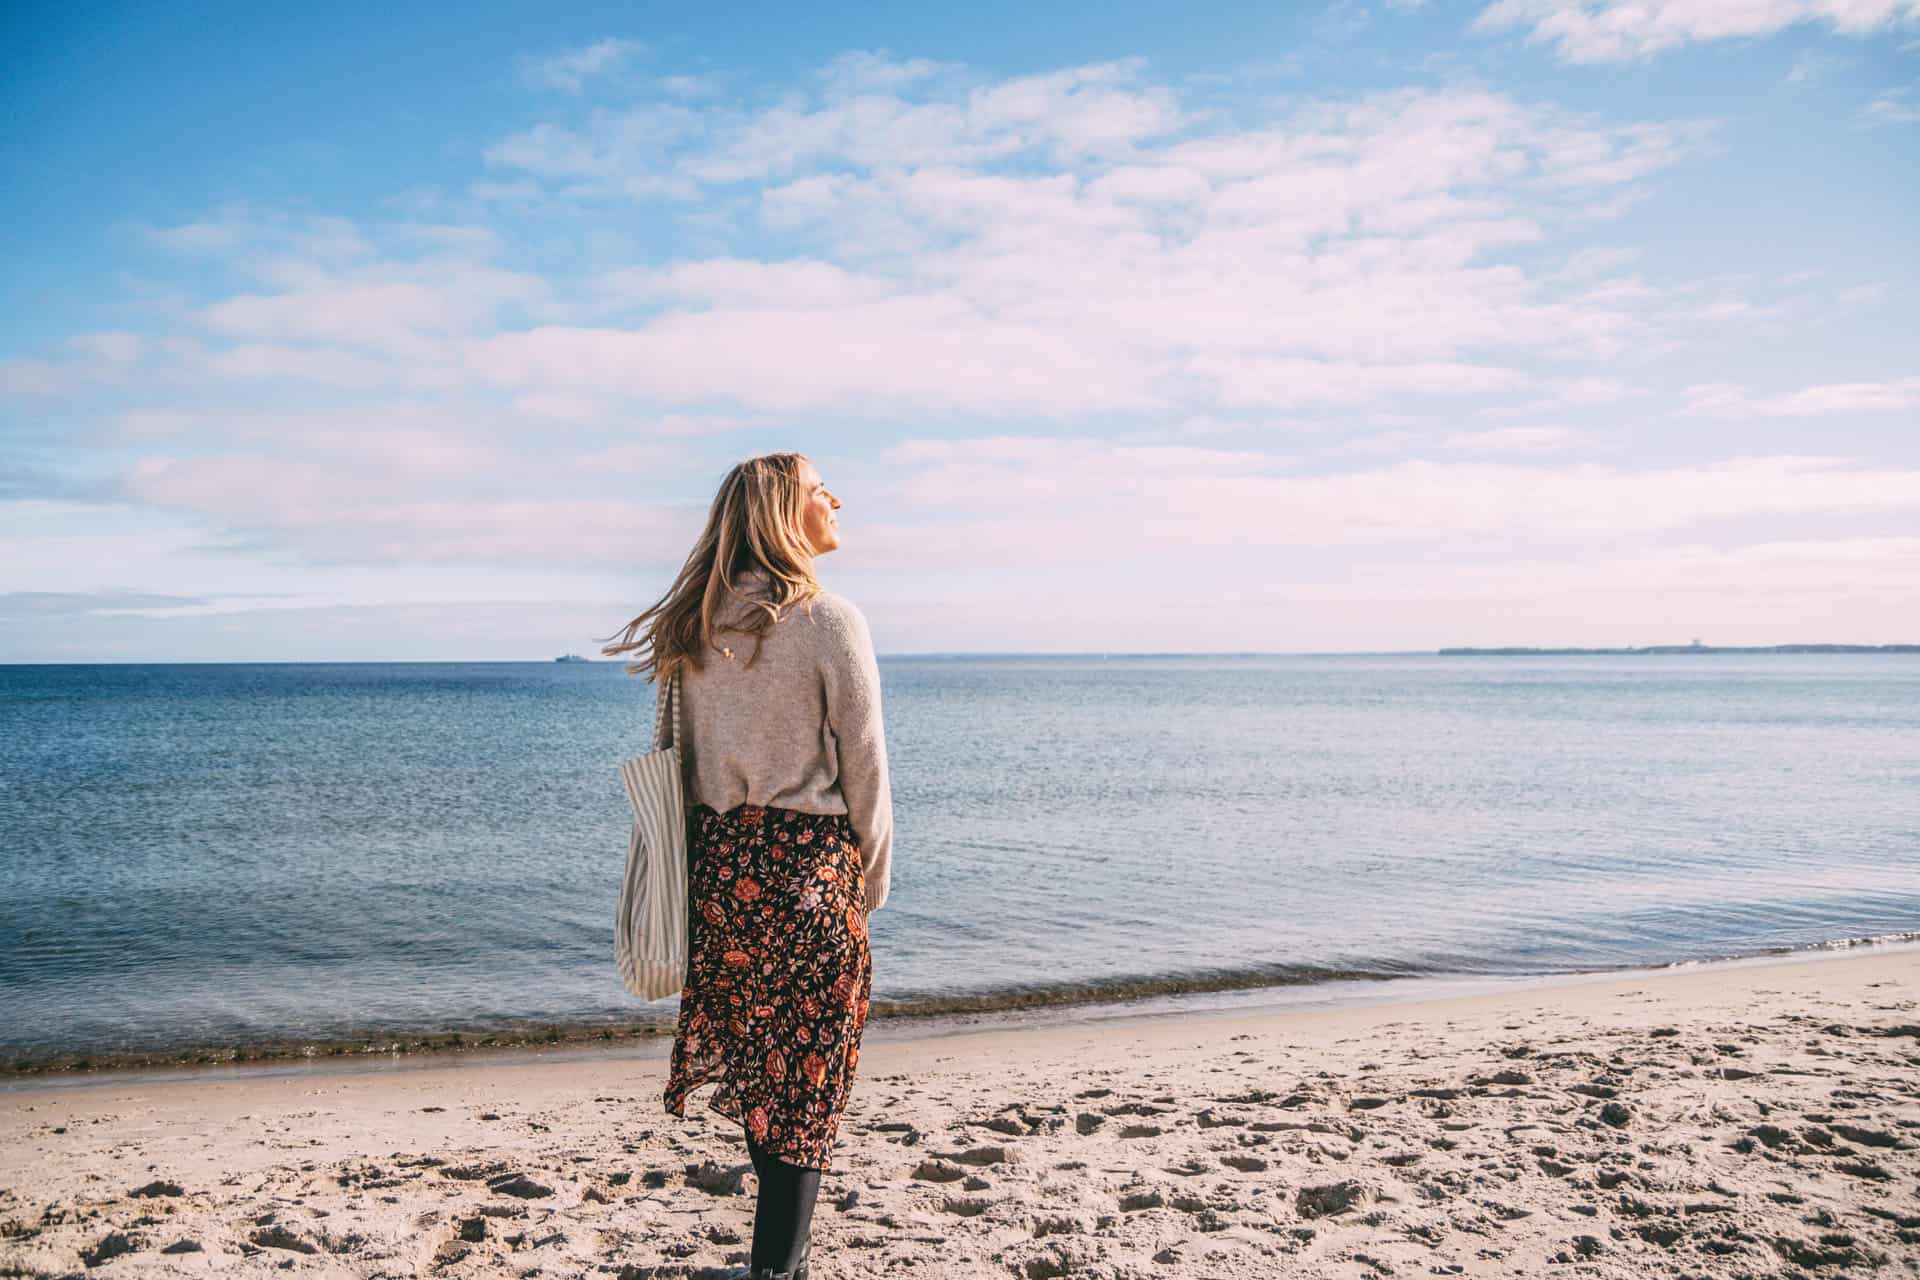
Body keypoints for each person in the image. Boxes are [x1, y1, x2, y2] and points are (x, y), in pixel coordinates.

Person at [602, 451, 894, 1280]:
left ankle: (782, 1264)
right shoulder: (831, 621)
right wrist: (871, 876)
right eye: (818, 489)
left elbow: (684, 762)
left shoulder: (692, 627)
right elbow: (865, 765)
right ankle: (776, 1272)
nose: (836, 498)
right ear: (780, 512)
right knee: (805, 1080)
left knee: (765, 1077)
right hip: (808, 873)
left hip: (724, 877)